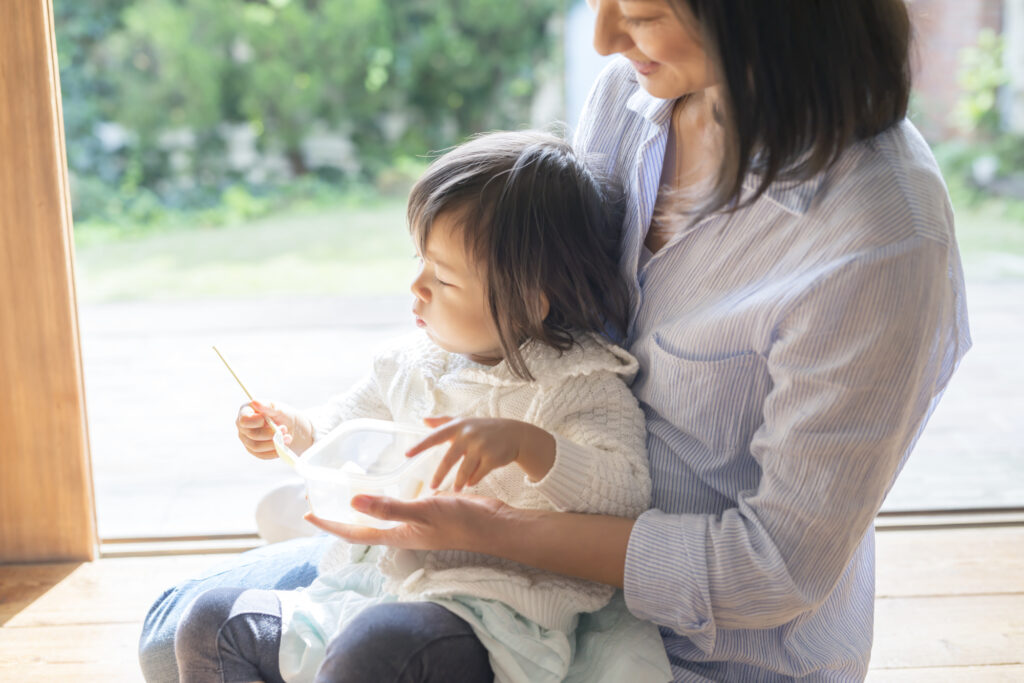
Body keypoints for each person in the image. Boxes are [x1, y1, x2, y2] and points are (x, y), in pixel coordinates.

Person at [141, 1, 971, 681]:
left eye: (641, 13)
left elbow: (773, 568)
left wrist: (486, 528)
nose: (607, 36)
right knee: (174, 632)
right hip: (480, 547)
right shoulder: (629, 100)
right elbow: (533, 302)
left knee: (365, 658)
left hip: (697, 639)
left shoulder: (882, 239)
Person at [171, 130, 673, 683]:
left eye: (443, 277)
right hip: (363, 590)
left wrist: (530, 447)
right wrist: (294, 428)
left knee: (379, 646)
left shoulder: (579, 381)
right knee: (209, 623)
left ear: (528, 301)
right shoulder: (414, 363)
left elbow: (626, 494)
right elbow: (343, 425)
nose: (415, 286)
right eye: (419, 261)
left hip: (484, 617)